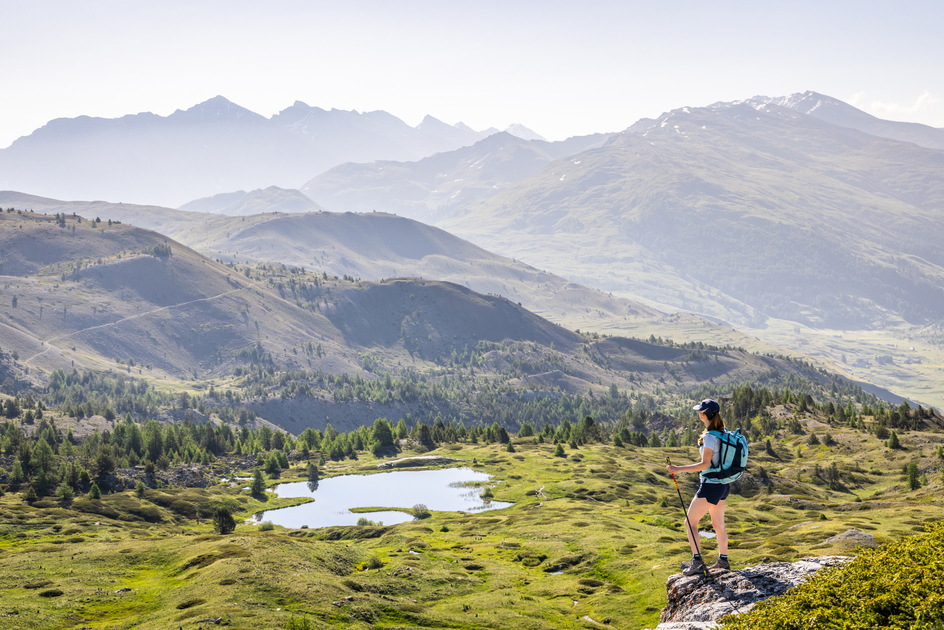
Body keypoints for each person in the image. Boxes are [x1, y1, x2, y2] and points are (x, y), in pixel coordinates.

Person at [666, 398, 731, 575]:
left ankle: (697, 561)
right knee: (718, 523)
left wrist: (678, 469)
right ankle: (723, 561)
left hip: (711, 486)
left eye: (699, 412)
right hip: (723, 485)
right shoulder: (724, 433)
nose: (698, 414)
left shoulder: (710, 437)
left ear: (703, 414)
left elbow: (705, 464)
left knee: (689, 523)